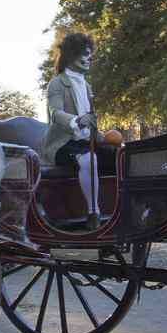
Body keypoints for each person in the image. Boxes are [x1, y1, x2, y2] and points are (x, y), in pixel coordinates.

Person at [42, 31, 112, 229]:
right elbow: (55, 114)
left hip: (86, 141)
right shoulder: (57, 83)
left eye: (90, 54)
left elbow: (91, 119)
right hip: (63, 144)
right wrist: (77, 121)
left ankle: (118, 210)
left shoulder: (87, 86)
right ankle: (93, 213)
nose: (89, 58)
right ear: (71, 56)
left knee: (122, 156)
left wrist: (103, 137)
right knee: (89, 159)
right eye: (84, 53)